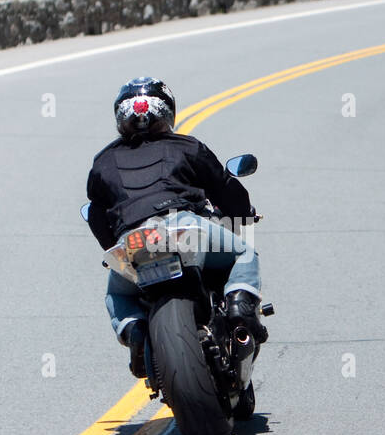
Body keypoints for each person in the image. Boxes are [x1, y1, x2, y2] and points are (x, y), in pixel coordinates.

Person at [85, 76, 267, 377]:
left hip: (133, 238)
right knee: (243, 253)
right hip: (183, 225)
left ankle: (136, 333)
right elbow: (225, 189)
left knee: (119, 295)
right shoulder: (188, 147)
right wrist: (242, 215)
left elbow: (96, 215)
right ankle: (239, 308)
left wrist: (113, 249)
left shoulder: (103, 161)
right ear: (167, 112)